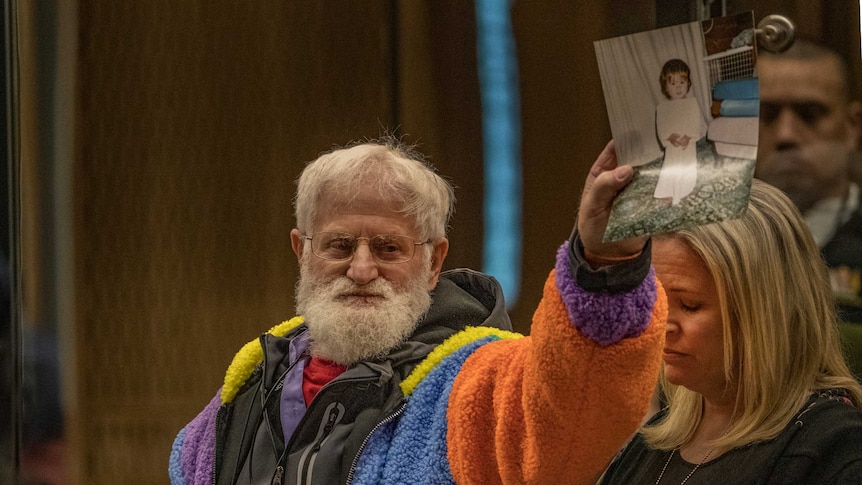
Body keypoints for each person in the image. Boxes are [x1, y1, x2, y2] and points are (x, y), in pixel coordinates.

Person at [168, 137, 666, 485]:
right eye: (340, 245)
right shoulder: (252, 381)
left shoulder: (471, 383)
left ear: (434, 262)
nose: (362, 269)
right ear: (302, 252)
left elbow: (571, 414)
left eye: (388, 249)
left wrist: (606, 264)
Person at [599, 178, 862, 484]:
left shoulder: (834, 447)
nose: (661, 325)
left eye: (690, 305)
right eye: (656, 300)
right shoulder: (651, 442)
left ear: (764, 312)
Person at [756, 39, 862, 323]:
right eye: (766, 115)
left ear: (853, 126)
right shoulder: (710, 242)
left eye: (810, 114)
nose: (786, 135)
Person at [653, 59, 708, 206]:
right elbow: (662, 127)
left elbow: (700, 125)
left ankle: (685, 191)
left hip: (688, 146)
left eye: (682, 83)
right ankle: (668, 192)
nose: (678, 87)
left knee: (687, 169)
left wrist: (690, 136)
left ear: (688, 83)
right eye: (673, 83)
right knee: (670, 169)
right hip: (672, 148)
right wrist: (668, 137)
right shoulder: (662, 107)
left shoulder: (692, 103)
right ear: (665, 86)